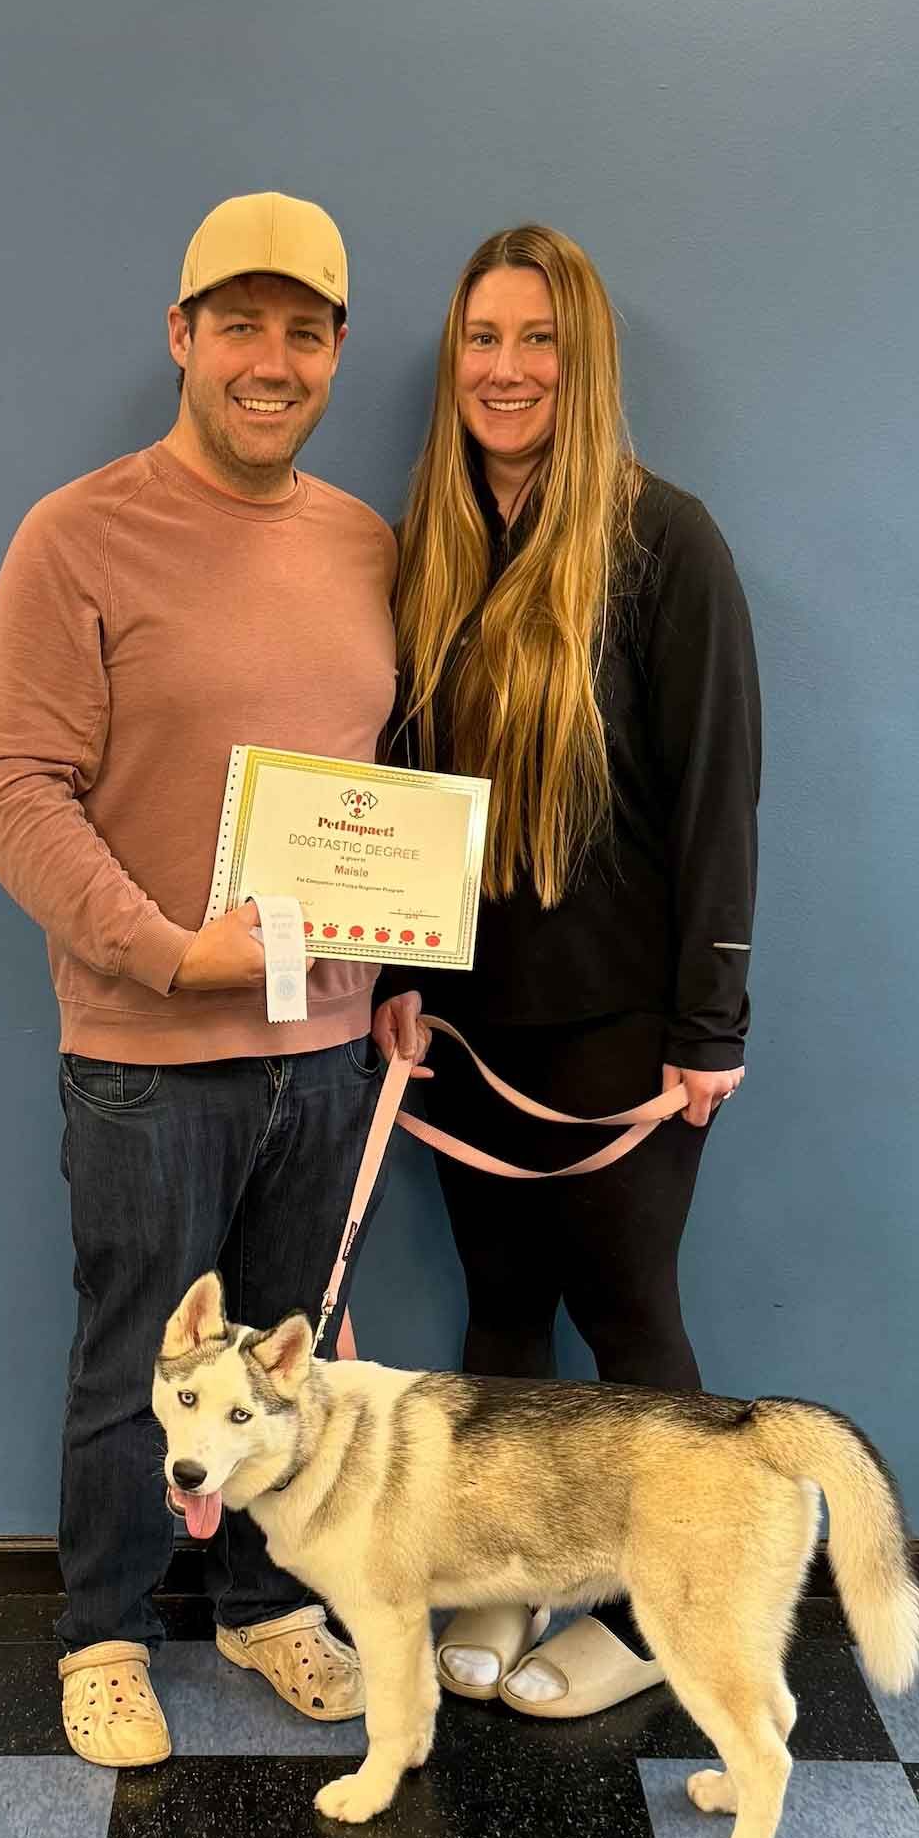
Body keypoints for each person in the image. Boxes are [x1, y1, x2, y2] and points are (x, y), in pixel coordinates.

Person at [0, 192, 397, 1766]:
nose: (269, 360)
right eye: (239, 325)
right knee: (140, 1351)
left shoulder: (366, 543)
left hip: (333, 1048)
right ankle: (103, 1632)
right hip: (145, 1054)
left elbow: (384, 783)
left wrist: (398, 973)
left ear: (337, 352)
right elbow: (12, 784)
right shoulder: (76, 534)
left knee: (289, 1357)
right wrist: (163, 950)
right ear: (182, 336)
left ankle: (266, 1602)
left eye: (303, 330)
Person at [373, 223, 761, 1719]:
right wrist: (398, 969)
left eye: (538, 341)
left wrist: (708, 1023)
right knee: (498, 1317)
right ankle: (515, 1563)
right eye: (483, 338)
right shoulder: (431, 551)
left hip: (625, 1030)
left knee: (631, 1329)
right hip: (470, 1022)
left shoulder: (672, 544)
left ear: (581, 362)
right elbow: (404, 776)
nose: (507, 369)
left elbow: (720, 795)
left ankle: (665, 1617)